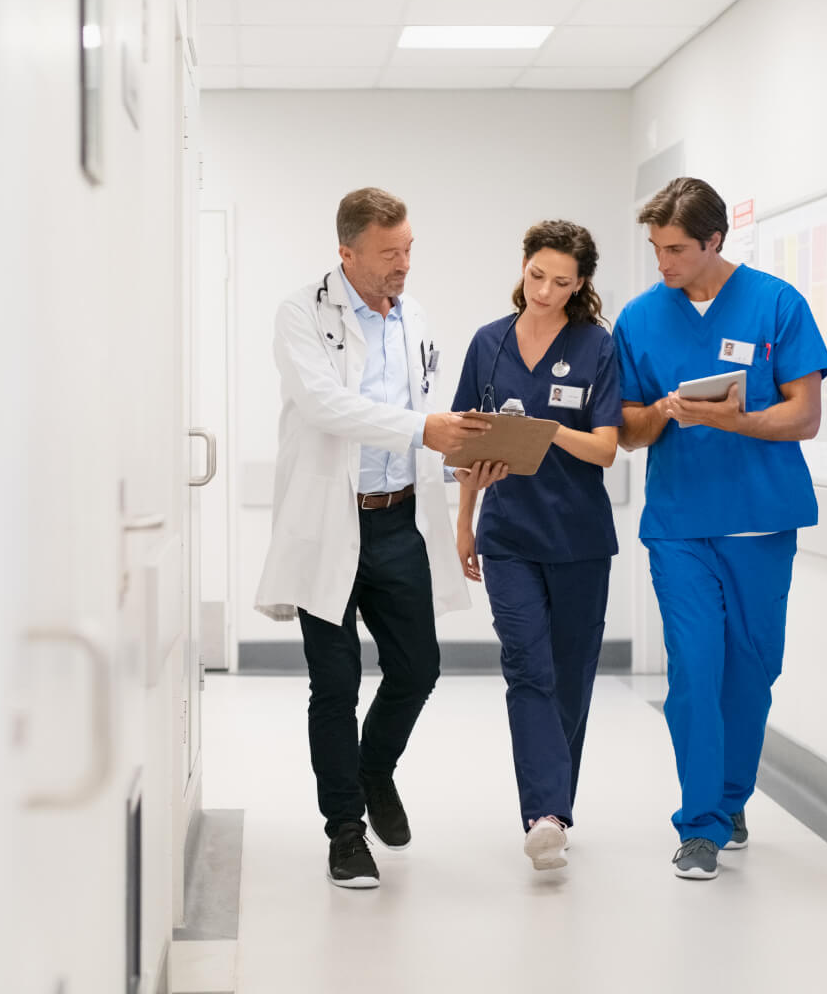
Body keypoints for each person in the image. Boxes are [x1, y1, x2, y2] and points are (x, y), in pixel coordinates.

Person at [253, 186, 489, 890]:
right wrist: (426, 430)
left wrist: (463, 446)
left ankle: (373, 769)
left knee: (418, 669)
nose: (404, 265)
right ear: (346, 253)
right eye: (390, 253)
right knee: (335, 684)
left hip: (397, 519)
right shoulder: (300, 313)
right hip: (331, 522)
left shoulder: (411, 315)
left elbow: (415, 408)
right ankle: (345, 831)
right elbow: (327, 405)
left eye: (409, 249)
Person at [613, 177, 827, 880]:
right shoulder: (641, 319)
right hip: (679, 524)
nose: (664, 262)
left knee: (752, 671)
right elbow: (626, 430)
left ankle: (732, 797)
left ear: (714, 240)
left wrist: (732, 418)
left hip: (762, 524)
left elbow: (805, 416)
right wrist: (666, 412)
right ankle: (700, 823)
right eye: (655, 248)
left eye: (676, 248)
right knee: (694, 669)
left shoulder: (777, 304)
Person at [449, 220, 622, 872]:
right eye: (536, 276)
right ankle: (544, 814)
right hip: (509, 537)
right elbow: (467, 442)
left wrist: (545, 432)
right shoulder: (488, 344)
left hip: (579, 539)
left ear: (581, 286)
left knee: (570, 681)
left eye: (561, 282)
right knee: (528, 667)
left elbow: (604, 447)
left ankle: (555, 804)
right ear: (522, 266)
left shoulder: (594, 346)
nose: (545, 291)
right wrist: (465, 521)